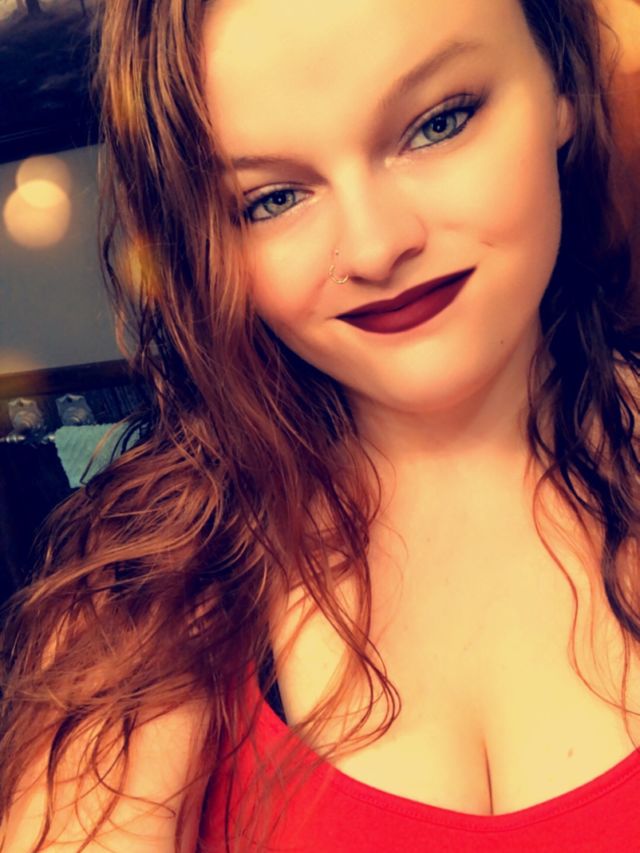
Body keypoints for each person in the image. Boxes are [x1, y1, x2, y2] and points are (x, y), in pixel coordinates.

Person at [1, 0, 640, 850]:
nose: (374, 247)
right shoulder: (142, 584)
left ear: (561, 85)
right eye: (271, 199)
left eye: (438, 122)